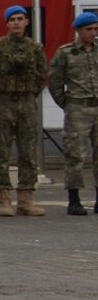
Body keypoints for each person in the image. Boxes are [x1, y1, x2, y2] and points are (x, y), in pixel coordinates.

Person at [0, 5, 48, 218]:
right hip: (4, 103)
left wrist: (27, 94)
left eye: (20, 18)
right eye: (12, 19)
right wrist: (0, 94)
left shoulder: (35, 48)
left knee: (28, 153)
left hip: (27, 103)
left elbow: (41, 76)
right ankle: (4, 200)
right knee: (1, 152)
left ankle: (26, 200)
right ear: (7, 23)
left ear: (27, 21)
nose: (17, 23)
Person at [48, 11, 98, 216]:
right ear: (78, 30)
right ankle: (74, 199)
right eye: (89, 29)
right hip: (77, 108)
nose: (93, 33)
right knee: (75, 155)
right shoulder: (66, 53)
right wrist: (66, 104)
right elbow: (54, 81)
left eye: (96, 29)